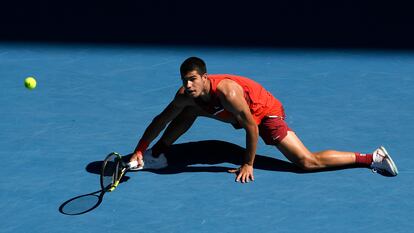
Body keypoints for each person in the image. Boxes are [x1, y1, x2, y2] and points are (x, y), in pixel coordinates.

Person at [127, 57, 398, 183]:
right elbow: (161, 119)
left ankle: (371, 157)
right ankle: (157, 154)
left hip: (264, 112)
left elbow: (251, 125)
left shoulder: (228, 92)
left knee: (306, 162)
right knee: (187, 109)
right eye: (184, 80)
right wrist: (140, 148)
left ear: (205, 77)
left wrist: (247, 163)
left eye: (193, 79)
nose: (188, 85)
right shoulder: (186, 94)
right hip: (235, 114)